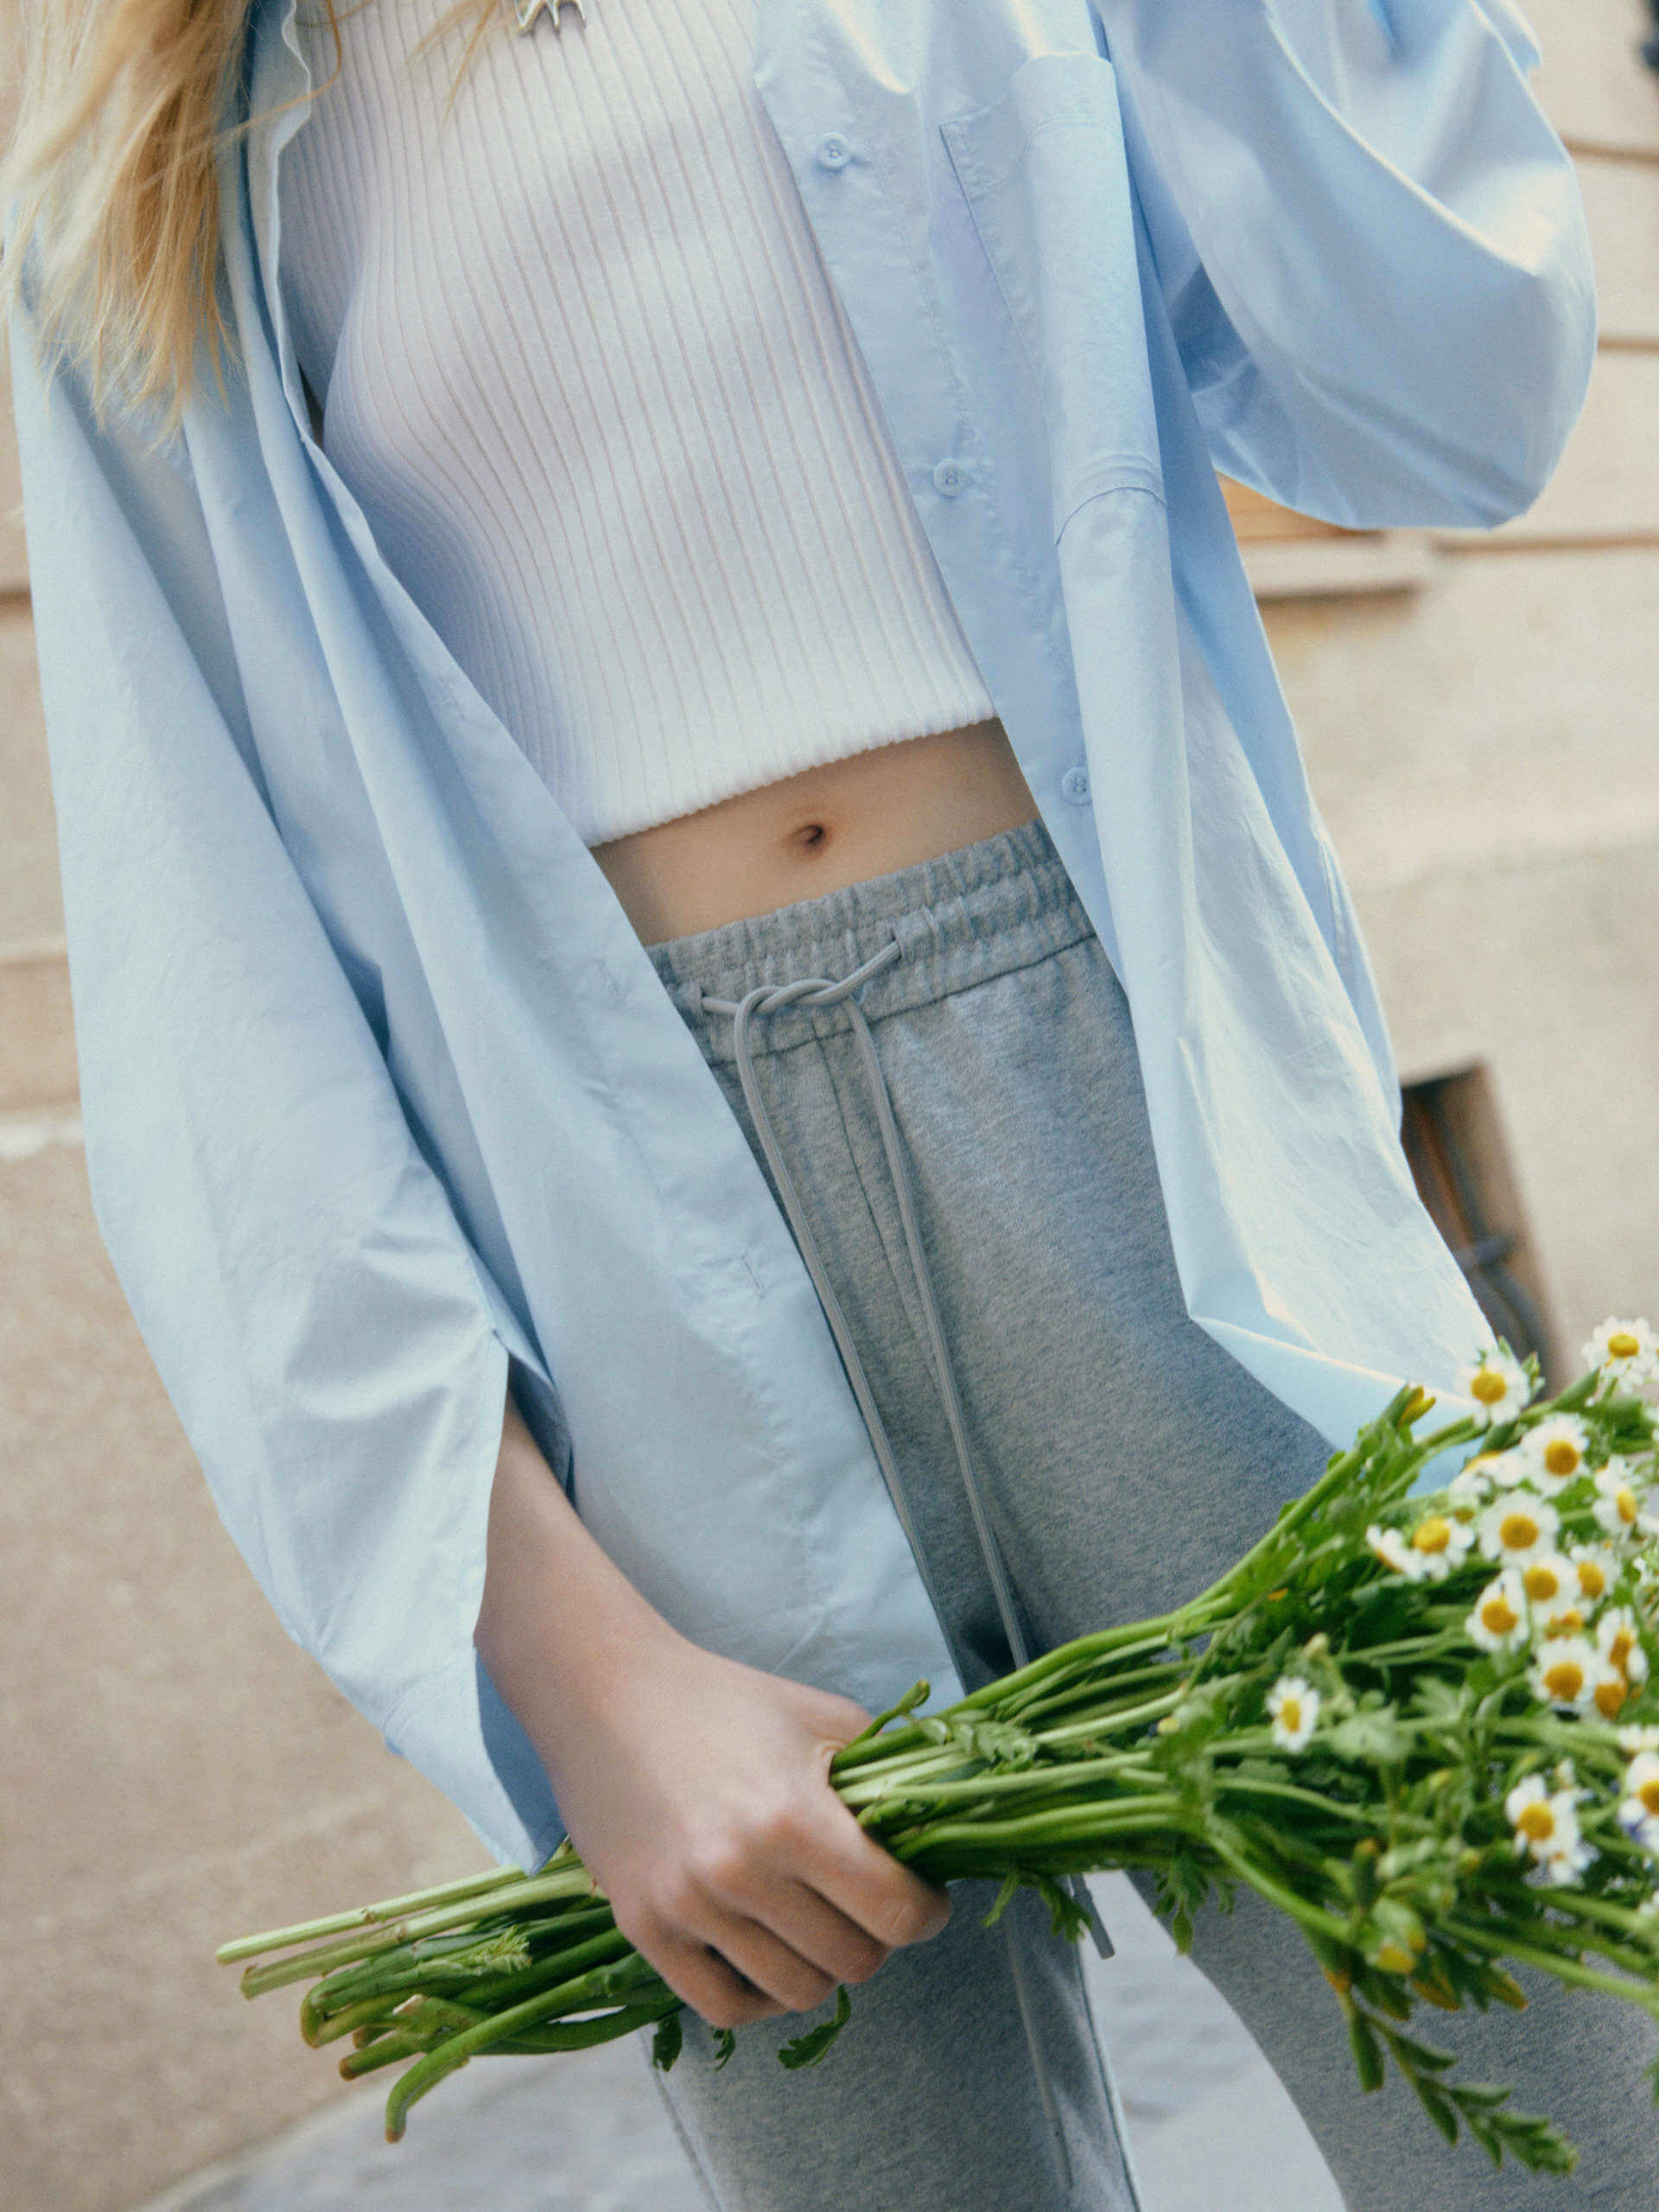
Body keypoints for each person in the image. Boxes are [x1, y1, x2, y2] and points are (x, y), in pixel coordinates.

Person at [4, 0, 1642, 2204]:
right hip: (632, 1292)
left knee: (1563, 2118)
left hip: (1136, 1136)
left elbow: (1455, 398)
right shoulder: (153, 111)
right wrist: (581, 1675)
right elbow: (210, 985)